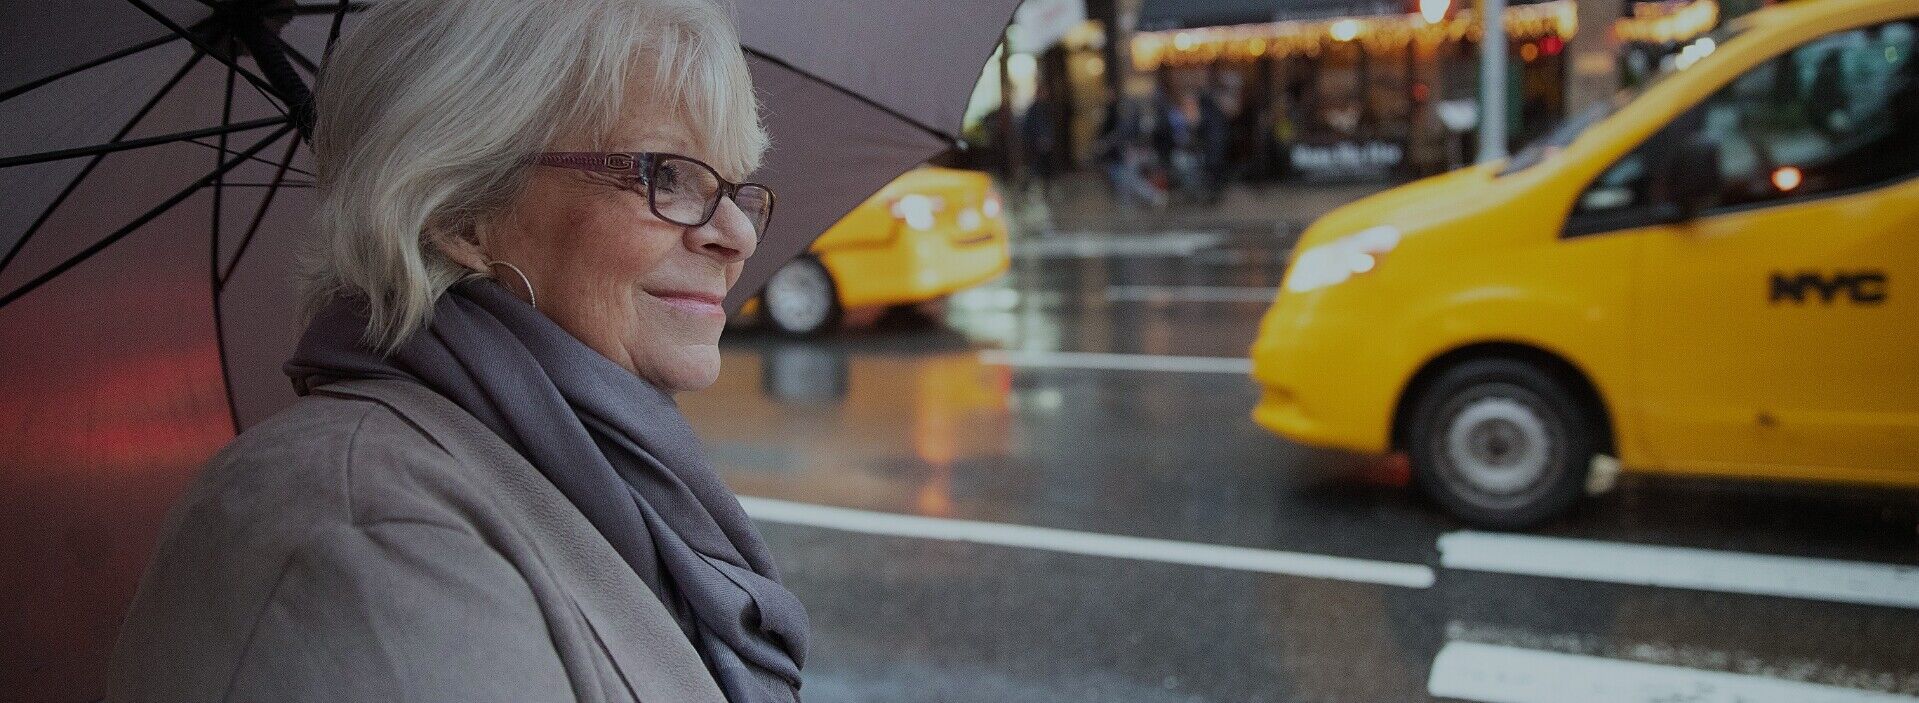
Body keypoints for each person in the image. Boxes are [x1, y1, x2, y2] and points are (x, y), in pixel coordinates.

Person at [104, 1, 806, 701]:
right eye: (666, 174)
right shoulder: (363, 537)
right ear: (460, 213)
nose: (736, 233)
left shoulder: (594, 461)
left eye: (733, 184)